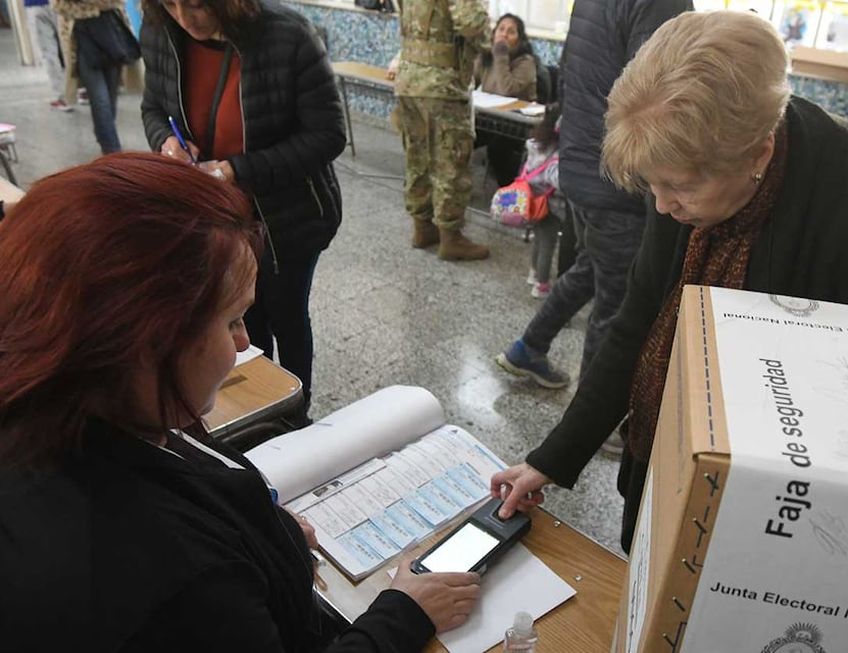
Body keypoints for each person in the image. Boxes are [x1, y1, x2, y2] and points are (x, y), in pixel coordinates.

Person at [491, 11, 848, 554]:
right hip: (666, 455)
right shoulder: (683, 169)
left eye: (678, 188)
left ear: (758, 154)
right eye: (651, 186)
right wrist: (550, 459)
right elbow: (639, 321)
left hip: (795, 510)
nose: (663, 206)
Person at [0, 153, 481, 652]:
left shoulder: (73, 403)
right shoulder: (177, 585)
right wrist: (403, 614)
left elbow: (185, 477)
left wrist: (260, 530)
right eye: (231, 320)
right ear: (146, 341)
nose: (245, 343)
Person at [495, 0, 690, 442]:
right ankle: (594, 425)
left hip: (583, 163)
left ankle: (528, 348)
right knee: (617, 301)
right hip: (619, 177)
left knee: (590, 270)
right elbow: (658, 93)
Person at [141, 0, 347, 416]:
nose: (184, 17)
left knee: (287, 314)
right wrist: (166, 141)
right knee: (239, 319)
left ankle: (293, 411)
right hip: (217, 217)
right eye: (170, 3)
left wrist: (235, 170)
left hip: (289, 216)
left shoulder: (288, 34)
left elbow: (328, 136)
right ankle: (257, 410)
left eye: (196, 4)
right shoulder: (161, 30)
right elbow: (153, 108)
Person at [394, 0, 492, 261]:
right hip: (442, 84)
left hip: (409, 78)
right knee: (451, 160)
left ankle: (422, 228)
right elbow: (471, 23)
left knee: (417, 158)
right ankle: (451, 239)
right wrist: (486, 39)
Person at [52, 0, 141, 153]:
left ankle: (103, 133)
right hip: (82, 37)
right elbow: (59, 5)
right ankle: (112, 148)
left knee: (111, 96)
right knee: (100, 98)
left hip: (111, 32)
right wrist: (97, 6)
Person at [474, 13, 537, 186]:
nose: (504, 35)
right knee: (460, 134)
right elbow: (469, 82)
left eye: (511, 32)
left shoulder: (526, 62)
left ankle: (508, 194)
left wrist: (501, 57)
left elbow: (507, 92)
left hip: (516, 125)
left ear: (519, 39)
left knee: (498, 149)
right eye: (501, 29)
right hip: (489, 119)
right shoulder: (486, 57)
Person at [519, 104, 561, 300]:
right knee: (548, 243)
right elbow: (556, 179)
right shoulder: (556, 152)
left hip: (531, 197)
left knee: (538, 238)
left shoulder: (535, 144)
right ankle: (541, 284)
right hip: (548, 203)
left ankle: (533, 272)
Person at [24, 0, 71, 111]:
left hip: (35, 5)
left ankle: (62, 97)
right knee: (70, 46)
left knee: (49, 52)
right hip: (62, 4)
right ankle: (82, 90)